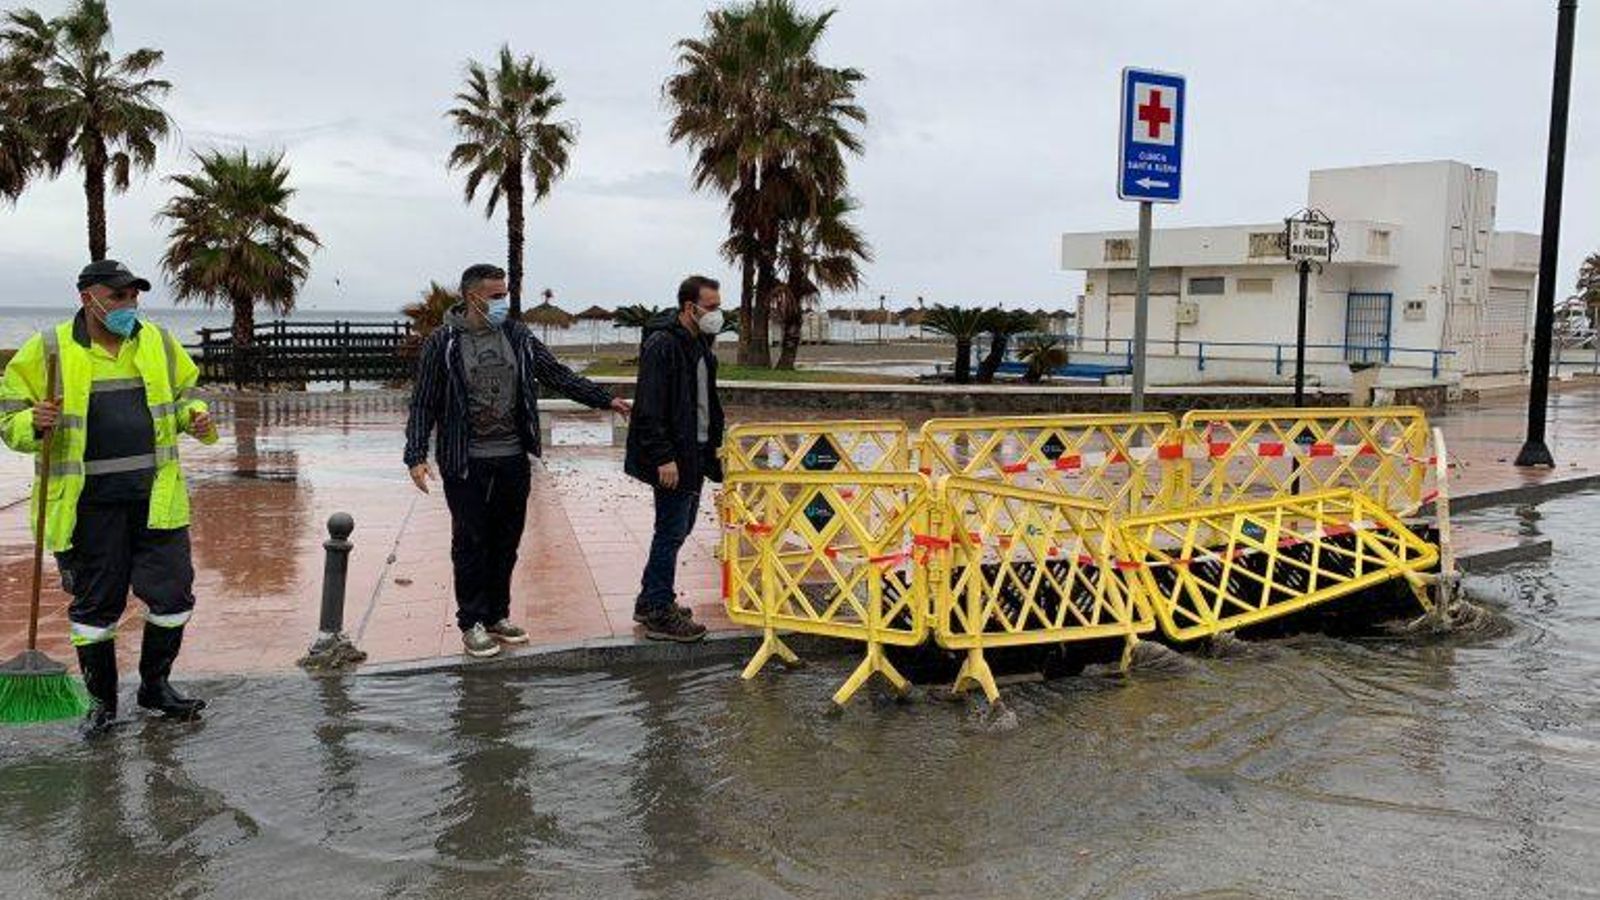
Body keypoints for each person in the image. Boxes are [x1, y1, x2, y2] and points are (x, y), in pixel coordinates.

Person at [0, 260, 219, 736]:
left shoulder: (158, 342)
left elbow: (188, 395)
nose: (128, 305)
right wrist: (30, 422)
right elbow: (7, 416)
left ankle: (155, 687)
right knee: (96, 608)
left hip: (157, 499)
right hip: (87, 506)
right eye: (118, 296)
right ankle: (101, 704)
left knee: (174, 597)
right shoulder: (49, 348)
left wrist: (196, 415)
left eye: (133, 296)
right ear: (88, 299)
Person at [404, 263, 630, 658]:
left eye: (504, 295)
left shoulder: (517, 335)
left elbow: (556, 374)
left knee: (506, 542)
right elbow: (424, 401)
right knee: (471, 542)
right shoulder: (443, 342)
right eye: (495, 296)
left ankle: (497, 615)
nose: (503, 303)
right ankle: (472, 622)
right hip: (465, 461)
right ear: (472, 297)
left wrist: (604, 399)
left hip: (512, 458)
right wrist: (415, 455)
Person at [623, 275, 725, 642]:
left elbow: (704, 403)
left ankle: (650, 598)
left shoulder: (699, 345)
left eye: (718, 306)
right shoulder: (662, 345)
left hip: (695, 453)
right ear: (689, 307)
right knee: (670, 531)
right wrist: (664, 457)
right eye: (711, 307)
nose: (717, 314)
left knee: (680, 529)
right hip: (674, 456)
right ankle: (657, 609)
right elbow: (649, 407)